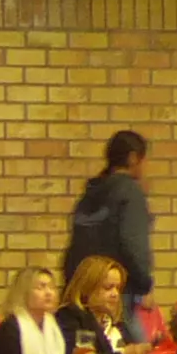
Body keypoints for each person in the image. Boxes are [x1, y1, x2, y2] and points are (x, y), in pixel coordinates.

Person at [65, 130, 154, 307]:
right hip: (118, 288)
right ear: (133, 158)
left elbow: (76, 242)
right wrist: (144, 284)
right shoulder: (129, 192)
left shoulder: (90, 193)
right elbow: (133, 243)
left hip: (81, 288)